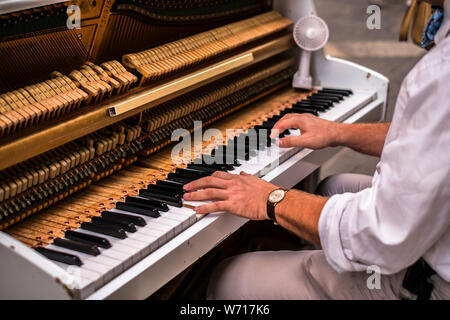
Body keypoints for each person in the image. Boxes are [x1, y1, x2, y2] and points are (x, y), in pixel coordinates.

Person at [182, 0, 450, 300]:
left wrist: (272, 199)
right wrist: (339, 132)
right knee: (334, 187)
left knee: (230, 279)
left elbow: (382, 235)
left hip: (432, 282)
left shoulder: (442, 73)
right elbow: (427, 139)